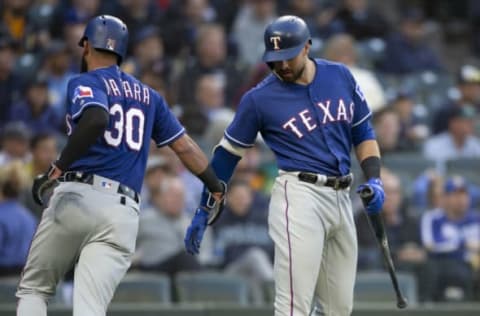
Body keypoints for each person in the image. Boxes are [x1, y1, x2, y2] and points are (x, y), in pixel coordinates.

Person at [16, 15, 225, 316]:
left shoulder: (85, 81)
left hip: (78, 195)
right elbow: (185, 146)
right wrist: (216, 187)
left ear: (86, 45)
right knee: (91, 307)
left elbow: (97, 117)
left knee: (35, 289)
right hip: (123, 211)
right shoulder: (149, 95)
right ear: (121, 51)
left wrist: (56, 169)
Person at [184, 15, 386, 316]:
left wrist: (374, 178)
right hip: (299, 195)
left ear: (307, 47)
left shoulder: (340, 76)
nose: (282, 66)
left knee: (338, 310)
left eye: (288, 57)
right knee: (293, 306)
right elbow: (226, 155)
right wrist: (204, 207)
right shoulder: (259, 98)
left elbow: (364, 133)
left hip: (342, 196)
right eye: (275, 59)